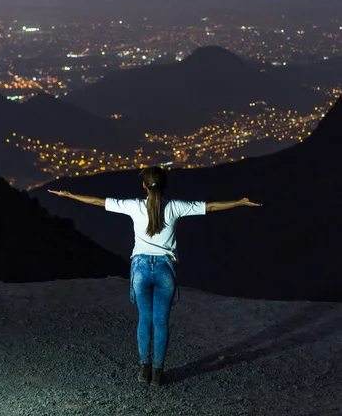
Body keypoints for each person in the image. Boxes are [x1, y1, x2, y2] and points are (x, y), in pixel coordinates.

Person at [48, 166, 261, 387]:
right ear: (165, 185)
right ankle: (158, 373)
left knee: (144, 319)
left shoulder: (133, 206)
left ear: (144, 185)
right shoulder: (175, 207)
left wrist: (69, 195)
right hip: (165, 269)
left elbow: (97, 202)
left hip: (140, 269)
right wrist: (240, 202)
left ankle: (144, 369)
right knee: (161, 322)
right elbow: (211, 206)